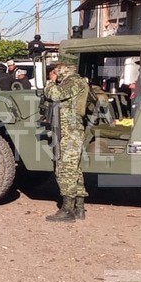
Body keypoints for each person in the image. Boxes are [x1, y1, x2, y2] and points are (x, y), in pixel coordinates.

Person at [42, 57, 89, 222]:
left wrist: (51, 82)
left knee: (66, 169)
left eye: (58, 68)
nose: (56, 72)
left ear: (66, 68)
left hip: (70, 131)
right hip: (68, 130)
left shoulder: (75, 82)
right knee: (74, 170)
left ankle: (67, 210)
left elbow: (55, 95)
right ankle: (79, 208)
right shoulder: (73, 81)